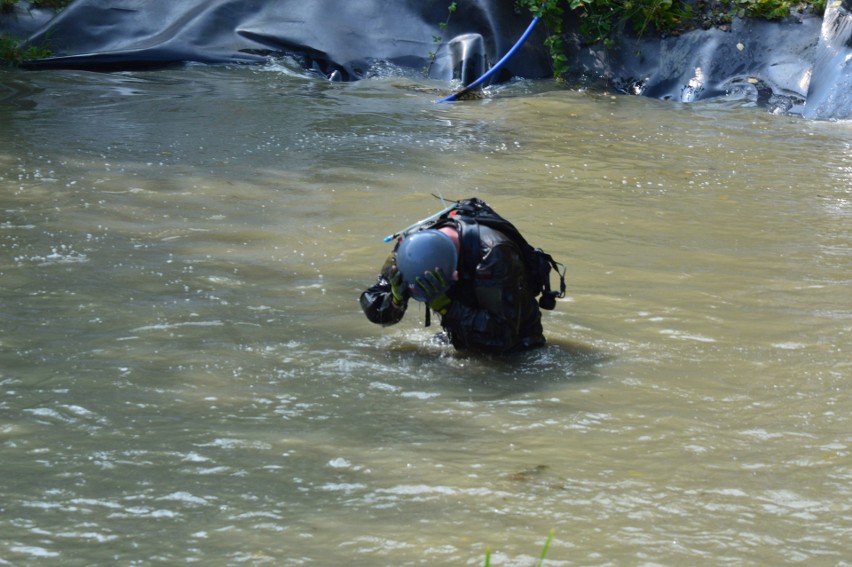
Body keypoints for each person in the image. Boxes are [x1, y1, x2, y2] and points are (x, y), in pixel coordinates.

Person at [359, 216, 546, 354]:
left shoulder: (494, 256)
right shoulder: (406, 251)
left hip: (518, 344)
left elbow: (502, 337)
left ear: (454, 272)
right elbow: (374, 307)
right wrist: (395, 300)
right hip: (460, 334)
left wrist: (447, 307)